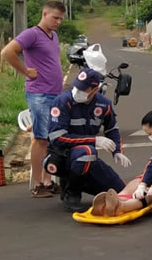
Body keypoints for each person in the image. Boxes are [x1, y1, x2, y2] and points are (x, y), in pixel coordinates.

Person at [43, 68, 133, 212]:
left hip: (88, 158)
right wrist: (94, 140)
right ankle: (71, 192)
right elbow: (57, 138)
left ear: (95, 89)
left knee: (122, 192)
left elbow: (112, 130)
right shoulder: (62, 102)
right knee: (87, 151)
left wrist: (117, 151)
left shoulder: (104, 104)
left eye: (83, 89)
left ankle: (76, 182)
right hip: (61, 155)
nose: (78, 91)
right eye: (77, 86)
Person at [1, 0, 66, 198]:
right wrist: (26, 71)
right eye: (55, 18)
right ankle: (37, 184)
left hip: (54, 94)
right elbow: (7, 52)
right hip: (40, 94)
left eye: (61, 19)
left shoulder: (53, 36)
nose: (58, 22)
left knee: (52, 139)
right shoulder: (32, 34)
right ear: (44, 13)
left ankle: (48, 180)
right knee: (40, 139)